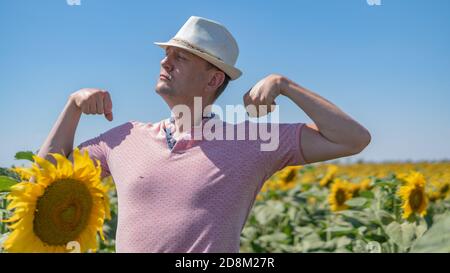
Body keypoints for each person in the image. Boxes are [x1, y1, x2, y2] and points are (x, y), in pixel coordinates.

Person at [37, 16, 371, 252]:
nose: (165, 63)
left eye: (179, 57)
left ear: (213, 80)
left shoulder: (251, 142)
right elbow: (44, 178)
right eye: (166, 54)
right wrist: (72, 107)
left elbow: (352, 138)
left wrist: (285, 85)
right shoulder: (125, 138)